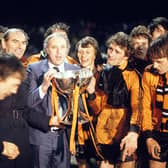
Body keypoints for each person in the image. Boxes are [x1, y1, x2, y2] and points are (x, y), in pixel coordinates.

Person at [25, 32, 80, 168]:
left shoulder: (75, 70)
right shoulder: (34, 69)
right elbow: (28, 103)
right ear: (46, 50)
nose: (58, 52)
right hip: (41, 137)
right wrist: (43, 86)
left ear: (67, 50)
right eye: (54, 47)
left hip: (64, 137)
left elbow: (79, 105)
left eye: (62, 47)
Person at [86, 32, 140, 168]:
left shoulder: (133, 76)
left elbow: (137, 107)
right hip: (104, 134)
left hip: (125, 133)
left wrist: (133, 132)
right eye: (110, 49)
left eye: (117, 51)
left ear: (126, 55)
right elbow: (97, 108)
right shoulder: (103, 73)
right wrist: (91, 93)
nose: (111, 54)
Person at [0, 28, 33, 168]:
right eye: (15, 41)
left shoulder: (26, 71)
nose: (20, 47)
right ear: (3, 43)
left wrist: (48, 121)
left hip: (21, 137)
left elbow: (26, 109)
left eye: (24, 43)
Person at [142, 33, 168, 168]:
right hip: (158, 131)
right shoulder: (149, 73)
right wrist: (149, 137)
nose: (155, 65)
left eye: (159, 61)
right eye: (153, 61)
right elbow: (145, 107)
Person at [75, 36, 101, 168]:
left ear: (95, 54)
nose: (83, 56)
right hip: (79, 131)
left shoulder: (102, 75)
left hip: (98, 129)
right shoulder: (72, 75)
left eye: (87, 52)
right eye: (81, 52)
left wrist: (91, 94)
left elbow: (100, 109)